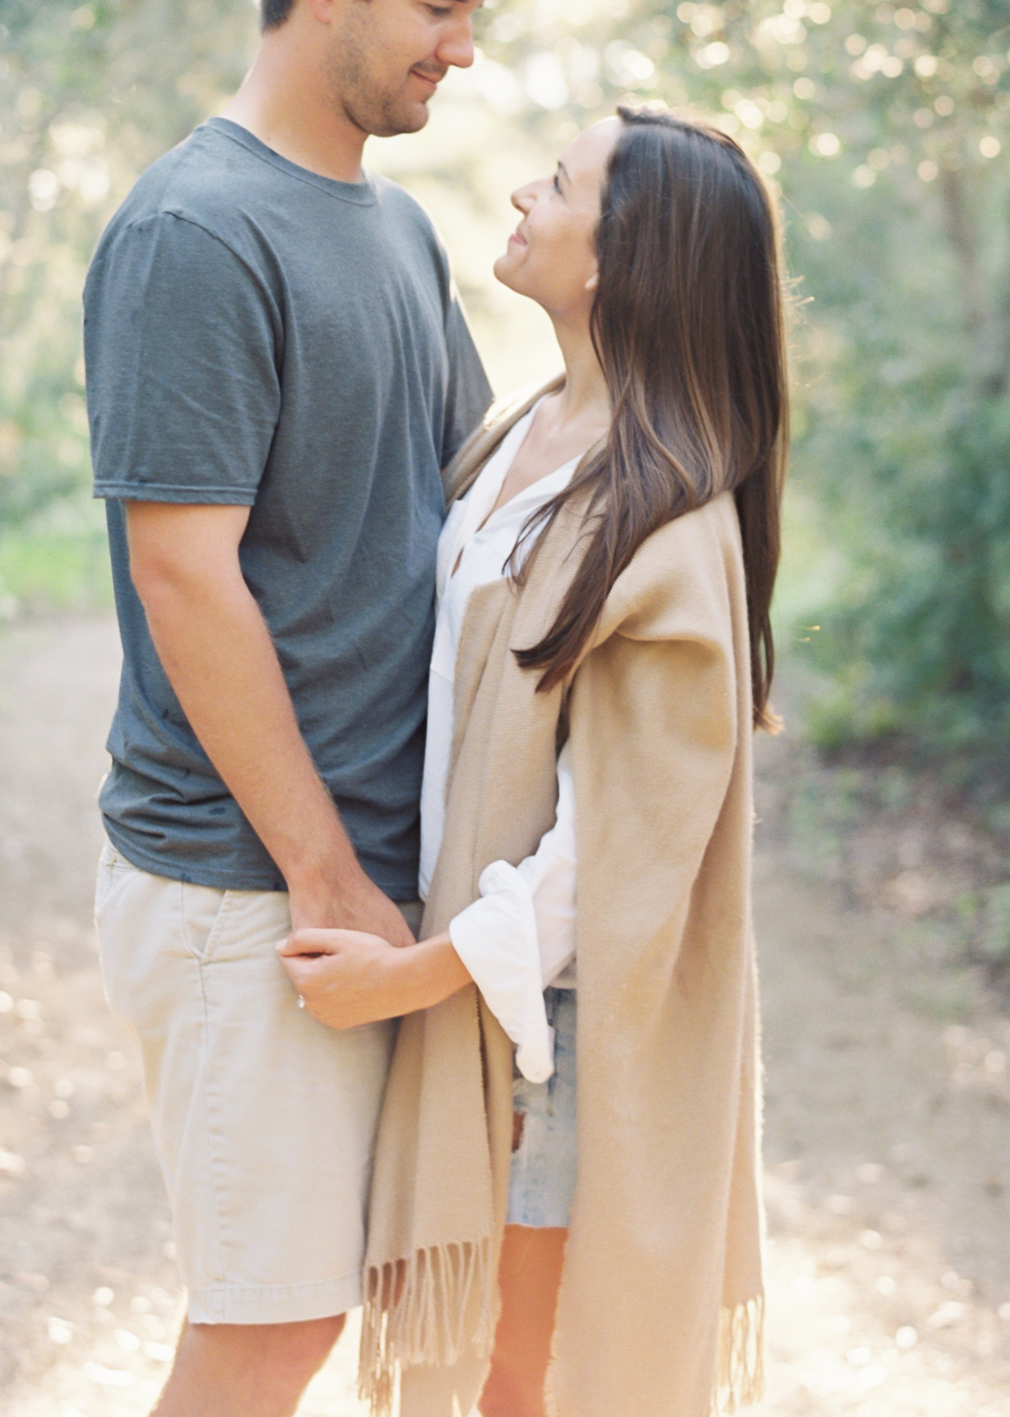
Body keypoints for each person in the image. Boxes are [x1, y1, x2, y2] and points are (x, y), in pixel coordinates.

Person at [280, 104, 786, 1417]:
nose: (518, 193)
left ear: (621, 257)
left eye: (555, 184)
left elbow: (614, 850)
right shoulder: (524, 431)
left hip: (552, 1015)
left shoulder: (672, 512)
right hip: (480, 978)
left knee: (526, 1382)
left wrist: (414, 972)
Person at [83, 0, 499, 1417]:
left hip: (369, 880)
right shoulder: (197, 230)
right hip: (249, 885)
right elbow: (187, 577)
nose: (461, 49)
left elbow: (468, 503)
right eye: (437, 8)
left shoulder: (394, 231)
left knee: (332, 1315)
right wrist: (331, 874)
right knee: (266, 1326)